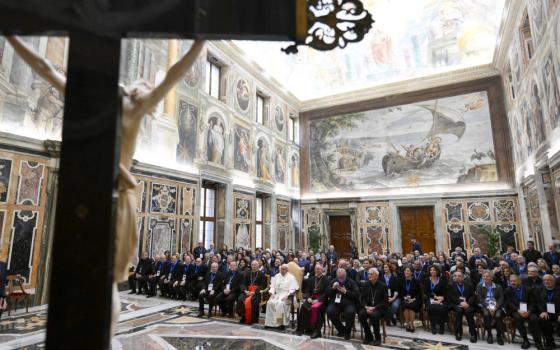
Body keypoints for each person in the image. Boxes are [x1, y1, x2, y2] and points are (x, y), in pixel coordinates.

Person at [5, 36, 206, 333]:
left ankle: (101, 334)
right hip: (85, 190)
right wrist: (11, 35)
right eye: (140, 82)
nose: (140, 84)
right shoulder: (92, 101)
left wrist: (199, 44)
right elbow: (44, 67)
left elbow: (174, 73)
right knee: (83, 272)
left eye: (145, 86)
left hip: (116, 195)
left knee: (107, 279)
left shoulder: (134, 108)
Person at [505, 274, 540, 349]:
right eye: (511, 281)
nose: (512, 283)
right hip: (516, 310)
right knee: (518, 318)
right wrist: (518, 310)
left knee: (534, 319)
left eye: (514, 281)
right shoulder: (508, 290)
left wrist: (529, 311)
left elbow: (533, 302)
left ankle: (537, 340)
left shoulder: (528, 289)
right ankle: (525, 340)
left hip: (528, 310)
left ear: (520, 281)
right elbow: (509, 303)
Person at [325, 268, 360, 340]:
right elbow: (327, 294)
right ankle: (341, 329)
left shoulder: (351, 282)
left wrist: (345, 291)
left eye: (341, 273)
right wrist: (333, 288)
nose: (340, 278)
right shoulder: (333, 281)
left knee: (350, 312)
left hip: (348, 303)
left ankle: (347, 332)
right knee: (330, 311)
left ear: (345, 275)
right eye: (338, 274)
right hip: (336, 302)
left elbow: (356, 295)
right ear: (337, 275)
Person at [297, 263, 329, 338]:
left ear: (322, 270)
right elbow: (307, 290)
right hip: (312, 298)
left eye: (318, 269)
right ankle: (303, 328)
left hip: (322, 300)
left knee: (315, 308)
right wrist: (308, 297)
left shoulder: (326, 280)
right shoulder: (311, 279)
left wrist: (318, 300)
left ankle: (316, 331)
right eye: (316, 269)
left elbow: (326, 293)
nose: (317, 270)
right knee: (304, 307)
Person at [358, 268, 388, 346]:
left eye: (371, 274)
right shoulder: (366, 284)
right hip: (368, 307)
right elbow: (362, 298)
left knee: (374, 316)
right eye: (368, 274)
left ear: (376, 276)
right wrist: (366, 307)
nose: (369, 275)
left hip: (379, 308)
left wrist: (375, 308)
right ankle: (368, 335)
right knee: (361, 314)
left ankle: (377, 338)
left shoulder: (383, 286)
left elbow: (385, 301)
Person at [265, 264, 299, 329]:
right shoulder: (277, 276)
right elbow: (272, 286)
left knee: (280, 304)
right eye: (281, 269)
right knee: (270, 303)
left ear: (287, 270)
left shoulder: (291, 277)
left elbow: (293, 289)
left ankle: (280, 323)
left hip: (287, 295)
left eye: (283, 269)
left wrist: (287, 295)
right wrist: (271, 292)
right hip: (277, 294)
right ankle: (270, 323)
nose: (282, 270)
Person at [476, 270, 505, 345]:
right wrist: (488, 307)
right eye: (484, 276)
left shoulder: (498, 287)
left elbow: (501, 299)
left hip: (496, 305)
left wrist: (495, 307)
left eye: (487, 276)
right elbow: (480, 298)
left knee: (498, 316)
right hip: (485, 305)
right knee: (486, 315)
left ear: (492, 278)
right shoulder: (480, 285)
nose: (485, 278)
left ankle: (499, 336)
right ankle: (489, 335)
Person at [447, 271, 477, 342]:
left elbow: (473, 296)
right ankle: (458, 333)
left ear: (463, 277)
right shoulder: (450, 285)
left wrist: (468, 303)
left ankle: (473, 334)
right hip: (455, 303)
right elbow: (451, 297)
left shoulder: (469, 285)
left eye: (459, 276)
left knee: (469, 312)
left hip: (468, 304)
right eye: (455, 276)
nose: (457, 277)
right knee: (459, 311)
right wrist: (461, 303)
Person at [534, 274, 560, 349]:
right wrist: (543, 311)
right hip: (547, 312)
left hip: (558, 313)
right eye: (545, 280)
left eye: (549, 280)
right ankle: (551, 344)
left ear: (554, 281)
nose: (546, 281)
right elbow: (538, 302)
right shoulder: (539, 289)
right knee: (543, 320)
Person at [237, 260, 266, 324]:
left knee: (254, 301)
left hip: (256, 293)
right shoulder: (247, 273)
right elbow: (243, 284)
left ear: (258, 266)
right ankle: (243, 317)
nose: (253, 266)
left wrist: (254, 292)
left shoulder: (261, 274)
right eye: (252, 265)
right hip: (247, 292)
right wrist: (245, 290)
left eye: (255, 265)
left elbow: (263, 286)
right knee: (240, 299)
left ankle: (253, 320)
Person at [424, 265, 447, 334]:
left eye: (434, 270)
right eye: (431, 270)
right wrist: (435, 297)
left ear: (437, 271)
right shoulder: (427, 280)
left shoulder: (442, 280)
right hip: (430, 298)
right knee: (431, 307)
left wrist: (442, 298)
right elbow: (426, 292)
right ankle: (433, 326)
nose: (432, 271)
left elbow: (445, 291)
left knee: (442, 308)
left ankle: (441, 325)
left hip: (441, 298)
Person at [400, 266, 422, 332]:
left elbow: (419, 293)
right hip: (404, 299)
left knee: (412, 306)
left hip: (414, 299)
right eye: (405, 271)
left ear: (411, 272)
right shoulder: (401, 280)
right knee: (406, 306)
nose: (406, 272)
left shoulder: (416, 281)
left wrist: (413, 299)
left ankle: (412, 324)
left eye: (408, 271)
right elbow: (399, 291)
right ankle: (407, 324)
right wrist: (404, 297)